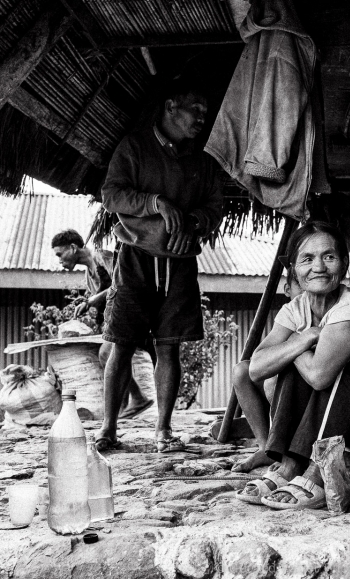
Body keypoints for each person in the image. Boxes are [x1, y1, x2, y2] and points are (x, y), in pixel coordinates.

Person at [236, 221, 350, 509]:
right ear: (295, 269)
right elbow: (255, 368)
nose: (319, 267)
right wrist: (303, 340)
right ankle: (287, 467)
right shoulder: (296, 309)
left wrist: (294, 345)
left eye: (329, 257)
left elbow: (320, 376)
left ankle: (316, 474)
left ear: (344, 263)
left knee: (335, 365)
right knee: (292, 359)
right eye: (307, 259)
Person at [94, 79, 224, 453]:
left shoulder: (203, 159)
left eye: (204, 112)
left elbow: (215, 207)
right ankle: (108, 429)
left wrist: (195, 223)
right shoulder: (134, 147)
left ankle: (163, 430)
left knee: (169, 348)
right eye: (194, 110)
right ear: (170, 107)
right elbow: (111, 194)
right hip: (135, 260)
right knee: (121, 345)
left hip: (180, 265)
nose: (202, 118)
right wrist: (156, 202)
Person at [51, 229, 154, 419]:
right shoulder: (88, 275)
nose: (59, 260)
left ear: (73, 248)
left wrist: (90, 301)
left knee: (107, 354)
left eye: (60, 254)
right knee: (110, 356)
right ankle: (121, 411)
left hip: (131, 313)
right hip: (114, 320)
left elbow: (122, 283)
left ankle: (138, 398)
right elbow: (102, 300)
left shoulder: (102, 256)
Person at [231, 269, 302, 473]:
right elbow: (259, 359)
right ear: (287, 289)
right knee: (242, 372)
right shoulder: (290, 311)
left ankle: (291, 453)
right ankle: (265, 447)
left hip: (308, 393)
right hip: (281, 390)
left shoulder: (323, 308)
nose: (306, 289)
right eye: (299, 284)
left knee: (278, 380)